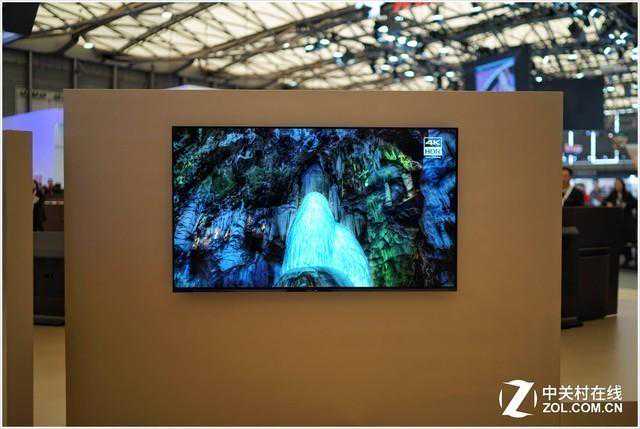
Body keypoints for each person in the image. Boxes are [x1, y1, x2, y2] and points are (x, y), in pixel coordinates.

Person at [605, 178, 638, 268]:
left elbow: (635, 203)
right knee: (615, 237)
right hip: (615, 221)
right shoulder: (612, 194)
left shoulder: (627, 194)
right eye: (616, 184)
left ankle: (628, 258)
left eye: (619, 184)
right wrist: (608, 204)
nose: (617, 186)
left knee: (626, 236)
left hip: (626, 221)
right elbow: (604, 201)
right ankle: (616, 257)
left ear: (622, 185)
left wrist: (626, 205)